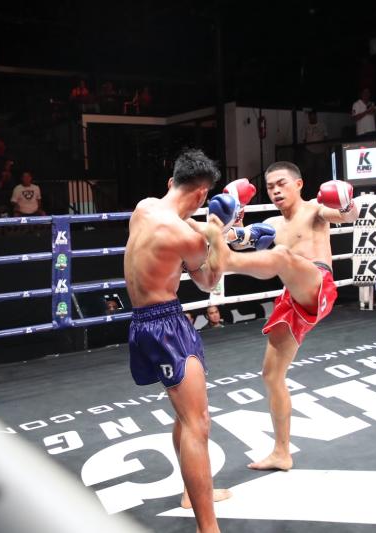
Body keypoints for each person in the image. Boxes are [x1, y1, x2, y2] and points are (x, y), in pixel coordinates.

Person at [221, 162, 359, 471]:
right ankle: (281, 453)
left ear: (298, 184)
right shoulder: (272, 223)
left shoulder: (315, 210)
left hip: (318, 285)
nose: (275, 190)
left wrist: (347, 203)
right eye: (270, 186)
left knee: (282, 255)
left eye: (281, 183)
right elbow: (235, 238)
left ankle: (222, 265)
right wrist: (234, 216)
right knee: (271, 376)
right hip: (291, 297)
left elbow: (349, 216)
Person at [124, 149, 231, 532]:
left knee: (185, 416)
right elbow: (209, 282)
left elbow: (174, 227)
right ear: (202, 194)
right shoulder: (185, 235)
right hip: (167, 324)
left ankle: (191, 492)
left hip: (141, 322)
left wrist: (206, 231)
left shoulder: (144, 208)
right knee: (198, 423)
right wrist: (218, 236)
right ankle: (208, 528)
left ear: (172, 181)